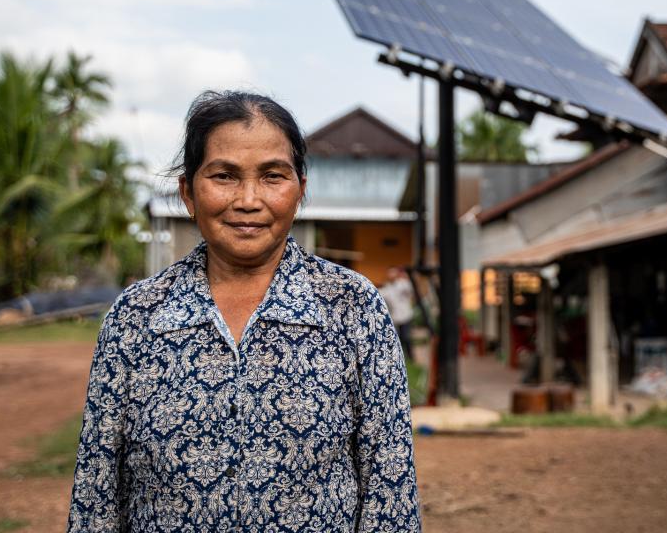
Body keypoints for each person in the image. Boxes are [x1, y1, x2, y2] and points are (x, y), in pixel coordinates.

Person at [67, 91, 421, 532]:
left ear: (300, 192)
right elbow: (95, 496)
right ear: (188, 192)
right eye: (224, 176)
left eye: (273, 176)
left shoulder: (352, 307)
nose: (249, 199)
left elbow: (391, 491)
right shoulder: (136, 317)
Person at [380, 267, 414, 360]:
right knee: (395, 339)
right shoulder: (387, 288)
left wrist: (406, 278)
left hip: (405, 315)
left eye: (393, 273)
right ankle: (397, 357)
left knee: (406, 338)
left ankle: (411, 358)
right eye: (390, 273)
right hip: (395, 318)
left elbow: (410, 290)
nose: (391, 275)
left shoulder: (403, 284)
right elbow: (380, 295)